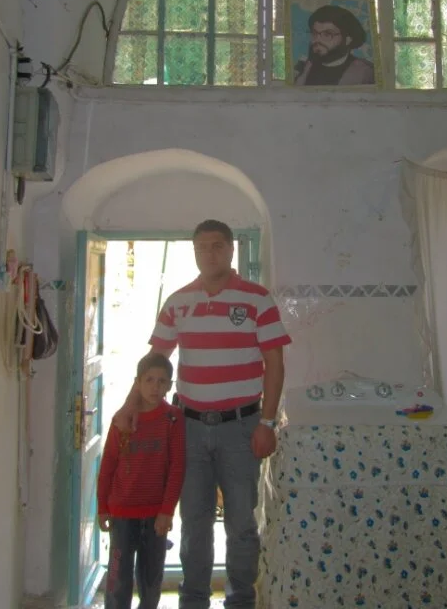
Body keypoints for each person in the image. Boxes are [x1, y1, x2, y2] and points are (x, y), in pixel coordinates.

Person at [115, 219, 291, 609]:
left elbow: (275, 365)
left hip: (242, 428)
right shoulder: (178, 302)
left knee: (241, 524)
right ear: (193, 252)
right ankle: (193, 601)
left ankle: (240, 600)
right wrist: (130, 406)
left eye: (217, 246)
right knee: (194, 522)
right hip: (189, 429)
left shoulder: (258, 299)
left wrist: (267, 422)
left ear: (230, 250)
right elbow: (155, 361)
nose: (209, 254)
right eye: (201, 248)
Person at [98, 352, 186, 609]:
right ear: (137, 383)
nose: (155, 387)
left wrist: (167, 511)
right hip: (122, 513)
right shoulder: (122, 421)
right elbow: (108, 466)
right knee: (118, 579)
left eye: (161, 381)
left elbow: (177, 468)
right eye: (149, 380)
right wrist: (102, 506)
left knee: (151, 579)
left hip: (156, 515)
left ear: (169, 385)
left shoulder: (173, 419)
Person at [293, 4, 376, 86]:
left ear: (348, 39)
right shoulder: (303, 67)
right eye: (314, 33)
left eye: (327, 34)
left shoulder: (365, 72)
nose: (317, 39)